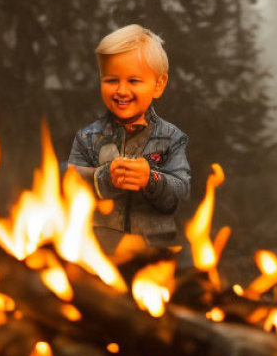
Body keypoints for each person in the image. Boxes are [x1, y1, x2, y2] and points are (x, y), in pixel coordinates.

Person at [66, 24, 191, 255]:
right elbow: (67, 182)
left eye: (134, 81)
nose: (121, 90)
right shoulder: (88, 137)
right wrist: (104, 177)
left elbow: (180, 191)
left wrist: (151, 180)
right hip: (100, 254)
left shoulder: (171, 137)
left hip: (156, 253)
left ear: (158, 84)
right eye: (112, 80)